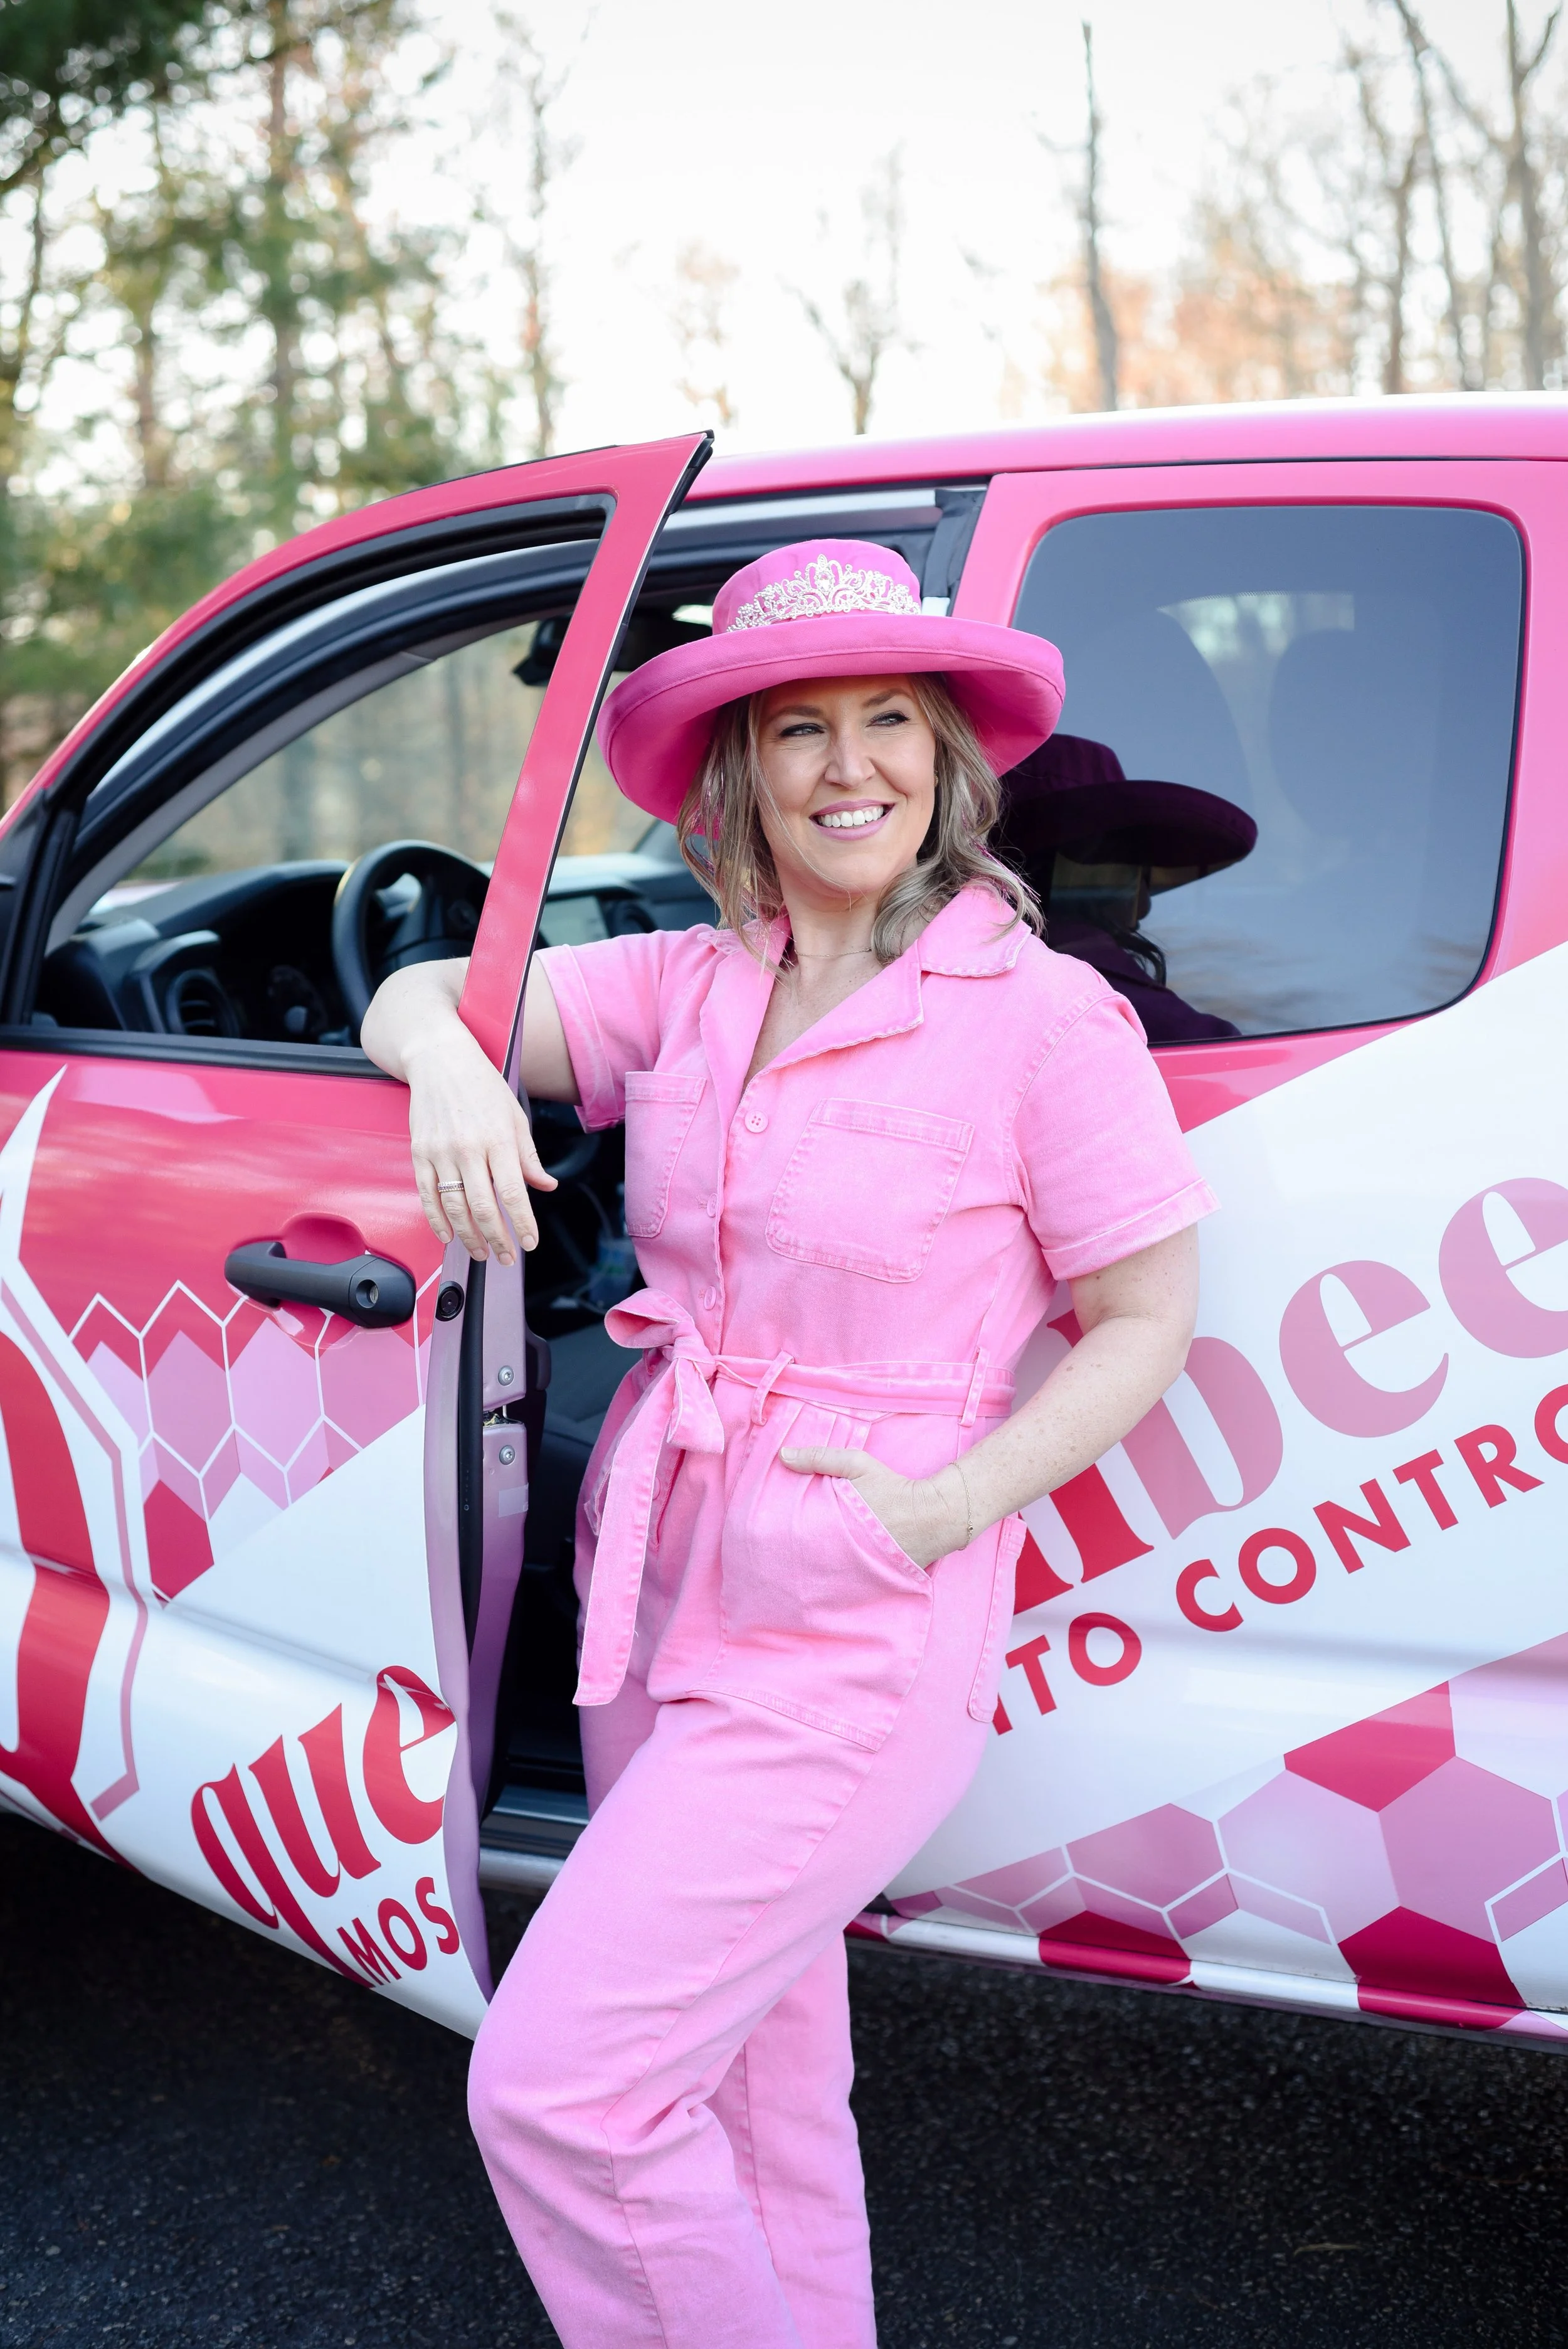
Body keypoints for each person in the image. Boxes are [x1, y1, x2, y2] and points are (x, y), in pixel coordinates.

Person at [362, 539, 1215, 2348]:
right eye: (798, 727)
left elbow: (1145, 1315)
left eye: (888, 719)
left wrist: (939, 1507)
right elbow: (424, 989)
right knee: (750, 2084)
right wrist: (443, 1066)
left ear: (945, 755)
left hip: (846, 1609)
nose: (850, 767)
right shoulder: (686, 982)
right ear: (739, 772)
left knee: (564, 2095)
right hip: (649, 1584)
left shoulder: (1038, 1019)